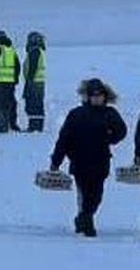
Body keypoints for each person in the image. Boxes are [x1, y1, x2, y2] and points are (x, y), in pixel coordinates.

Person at [48, 77, 128, 237]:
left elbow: (122, 131)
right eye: (94, 95)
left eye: (100, 95)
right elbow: (63, 139)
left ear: (105, 96)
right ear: (87, 96)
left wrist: (110, 138)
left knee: (96, 195)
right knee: (84, 194)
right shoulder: (76, 114)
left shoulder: (110, 113)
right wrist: (56, 161)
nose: (97, 98)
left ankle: (82, 218)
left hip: (100, 161)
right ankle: (87, 224)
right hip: (79, 161)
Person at [22, 30, 47, 132]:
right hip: (38, 82)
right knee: (37, 104)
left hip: (34, 82)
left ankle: (34, 126)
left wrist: (28, 83)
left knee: (33, 104)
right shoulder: (37, 51)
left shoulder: (34, 51)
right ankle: (37, 126)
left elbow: (32, 68)